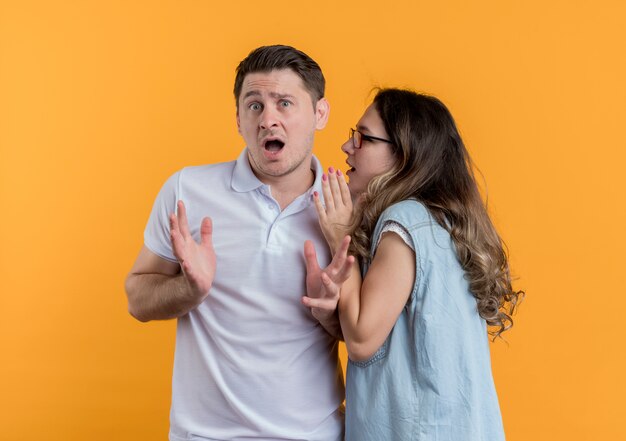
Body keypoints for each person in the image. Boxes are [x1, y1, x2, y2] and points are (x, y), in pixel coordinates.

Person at [125, 45, 352, 441]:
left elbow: (368, 338)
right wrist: (188, 288)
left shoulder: (347, 209)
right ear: (238, 119)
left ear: (320, 114)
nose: (268, 120)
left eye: (285, 103)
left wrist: (330, 311)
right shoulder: (187, 190)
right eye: (254, 105)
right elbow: (137, 300)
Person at [302, 88, 524, 440]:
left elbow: (361, 339)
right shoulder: (445, 224)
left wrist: (340, 237)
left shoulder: (404, 221)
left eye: (363, 138)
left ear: (404, 154)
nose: (348, 147)